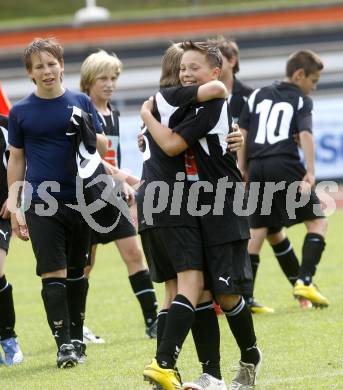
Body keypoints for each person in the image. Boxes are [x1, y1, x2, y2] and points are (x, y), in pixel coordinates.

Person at [141, 41, 262, 390]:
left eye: (194, 67)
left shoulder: (212, 99)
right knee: (204, 294)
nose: (186, 73)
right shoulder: (188, 104)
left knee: (225, 294)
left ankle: (250, 355)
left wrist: (146, 117)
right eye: (182, 68)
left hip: (223, 204)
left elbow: (173, 143)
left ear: (214, 71)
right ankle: (212, 374)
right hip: (194, 206)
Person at [7, 37, 108, 368]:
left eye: (52, 64)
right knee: (53, 273)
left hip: (81, 200)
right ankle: (63, 344)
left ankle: (77, 338)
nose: (47, 71)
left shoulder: (81, 101)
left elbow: (100, 150)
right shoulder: (20, 112)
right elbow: (17, 159)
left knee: (78, 272)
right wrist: (15, 201)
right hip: (42, 202)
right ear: (30, 74)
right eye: (39, 67)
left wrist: (89, 132)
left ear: (62, 66)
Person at [213, 35, 309, 314]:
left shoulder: (251, 96)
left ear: (232, 61)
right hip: (217, 175)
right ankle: (299, 288)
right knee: (269, 232)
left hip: (247, 174)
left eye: (219, 58)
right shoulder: (203, 94)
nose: (214, 64)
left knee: (267, 231)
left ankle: (252, 295)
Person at [238, 49, 329, 309]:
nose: (313, 87)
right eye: (313, 81)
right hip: (284, 164)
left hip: (256, 166)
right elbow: (306, 134)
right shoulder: (300, 100)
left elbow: (242, 131)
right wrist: (310, 172)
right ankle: (305, 280)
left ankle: (245, 296)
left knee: (258, 230)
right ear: (300, 74)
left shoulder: (256, 94)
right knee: (317, 223)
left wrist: (241, 167)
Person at [79, 49, 159, 342]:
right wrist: (128, 179)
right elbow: (90, 159)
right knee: (86, 264)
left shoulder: (112, 113)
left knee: (134, 253)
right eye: (103, 78)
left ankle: (153, 321)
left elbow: (113, 156)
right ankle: (78, 326)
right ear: (89, 80)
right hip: (85, 196)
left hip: (111, 194)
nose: (110, 83)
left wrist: (123, 182)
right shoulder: (82, 111)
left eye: (114, 77)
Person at [0, 114, 24, 366]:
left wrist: (13, 196)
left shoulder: (7, 125)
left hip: (1, 212)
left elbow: (22, 161)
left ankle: (8, 339)